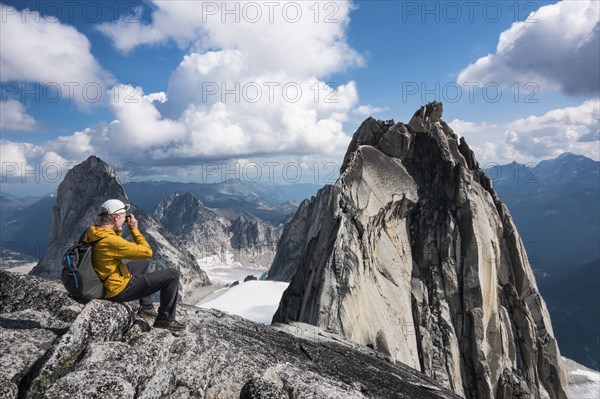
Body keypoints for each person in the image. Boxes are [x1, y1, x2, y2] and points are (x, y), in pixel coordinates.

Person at [83, 199, 186, 332]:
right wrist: (134, 230)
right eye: (124, 216)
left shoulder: (94, 232)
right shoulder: (109, 241)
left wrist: (117, 228)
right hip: (116, 289)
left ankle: (146, 307)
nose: (126, 219)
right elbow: (147, 252)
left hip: (103, 279)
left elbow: (114, 245)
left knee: (142, 263)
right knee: (173, 275)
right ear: (116, 217)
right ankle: (165, 319)